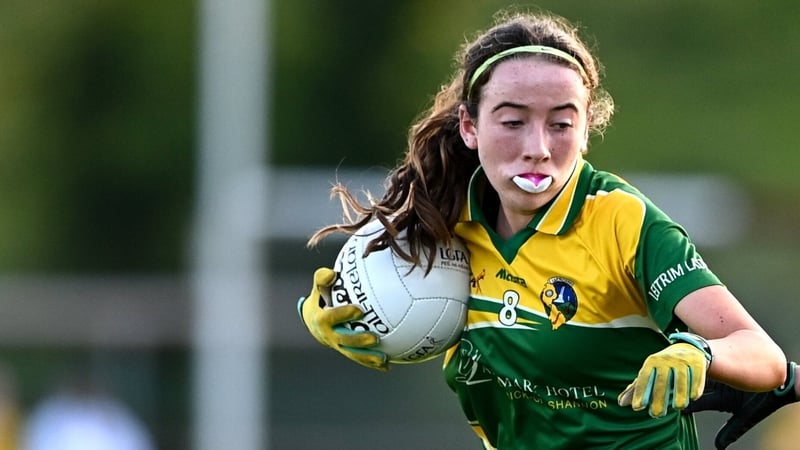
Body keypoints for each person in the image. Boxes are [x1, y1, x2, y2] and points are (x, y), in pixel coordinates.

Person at [298, 9, 795, 449]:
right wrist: (342, 314)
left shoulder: (621, 222)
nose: (538, 146)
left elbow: (764, 356)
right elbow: (393, 301)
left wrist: (699, 351)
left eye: (561, 124)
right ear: (470, 126)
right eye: (513, 122)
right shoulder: (442, 218)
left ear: (586, 129)